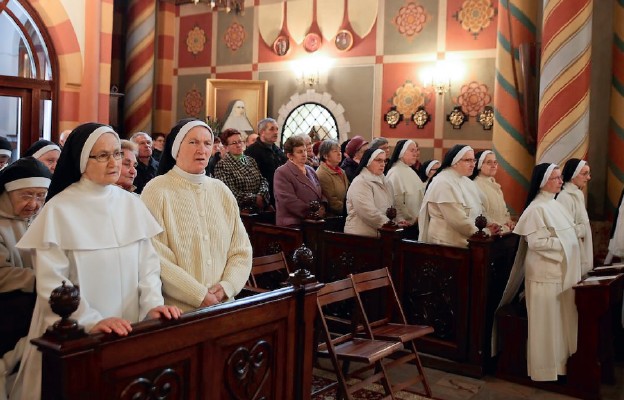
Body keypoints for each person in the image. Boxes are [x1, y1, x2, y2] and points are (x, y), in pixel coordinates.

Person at [11, 123, 181, 399]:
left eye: (116, 153)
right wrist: (90, 321)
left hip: (129, 325)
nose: (114, 162)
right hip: (74, 335)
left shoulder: (131, 204)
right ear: (81, 159)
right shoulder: (59, 209)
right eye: (102, 155)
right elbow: (52, 282)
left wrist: (153, 306)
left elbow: (148, 267)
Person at [141, 118, 252, 312]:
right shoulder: (156, 190)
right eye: (193, 142)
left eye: (207, 143)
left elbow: (240, 249)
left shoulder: (221, 190)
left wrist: (227, 286)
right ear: (176, 148)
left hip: (224, 306)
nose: (201, 149)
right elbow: (155, 254)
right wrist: (198, 295)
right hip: (180, 312)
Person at [497, 163, 581, 382]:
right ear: (543, 182)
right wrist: (564, 244)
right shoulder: (536, 209)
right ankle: (544, 370)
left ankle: (559, 366)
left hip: (557, 271)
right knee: (545, 324)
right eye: (555, 178)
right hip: (544, 273)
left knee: (556, 322)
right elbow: (536, 243)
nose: (561, 181)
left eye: (560, 177)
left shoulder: (554, 205)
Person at [418, 145, 500, 248]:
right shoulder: (443, 182)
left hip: (467, 241)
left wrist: (489, 224)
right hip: (445, 245)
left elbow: (480, 209)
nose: (473, 165)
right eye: (468, 160)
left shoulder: (467, 181)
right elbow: (458, 220)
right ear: (455, 162)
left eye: (473, 160)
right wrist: (485, 231)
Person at [0, 157, 52, 294]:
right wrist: (45, 280)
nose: (34, 204)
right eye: (26, 196)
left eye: (41, 196)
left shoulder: (47, 217)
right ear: (7, 193)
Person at [345, 148, 406, 237]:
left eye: (384, 161)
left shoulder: (386, 181)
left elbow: (393, 205)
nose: (383, 164)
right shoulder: (360, 182)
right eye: (378, 160)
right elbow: (367, 212)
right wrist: (390, 224)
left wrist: (399, 220)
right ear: (368, 161)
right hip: (361, 236)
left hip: (381, 234)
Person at [273, 136, 326, 227]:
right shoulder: (282, 172)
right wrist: (311, 212)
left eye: (304, 150)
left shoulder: (310, 169)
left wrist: (323, 206)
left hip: (313, 220)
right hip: (293, 223)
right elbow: (288, 200)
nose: (304, 154)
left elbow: (320, 191)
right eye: (299, 152)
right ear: (290, 155)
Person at [213, 128, 270, 210]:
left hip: (260, 208)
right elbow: (230, 192)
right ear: (226, 147)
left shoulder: (251, 160)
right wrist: (255, 199)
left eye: (240, 141)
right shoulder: (222, 165)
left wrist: (262, 195)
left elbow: (262, 181)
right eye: (234, 143)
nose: (238, 145)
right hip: (241, 211)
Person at [556, 158, 593, 275]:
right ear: (573, 175)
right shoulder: (564, 197)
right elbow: (564, 229)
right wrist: (582, 230)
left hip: (581, 243)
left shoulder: (578, 194)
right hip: (572, 247)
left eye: (588, 173)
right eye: (584, 174)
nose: (588, 178)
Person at [385, 140, 424, 237]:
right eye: (412, 150)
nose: (415, 154)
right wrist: (408, 219)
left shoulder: (409, 170)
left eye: (416, 150)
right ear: (402, 153)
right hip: (404, 225)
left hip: (416, 223)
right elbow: (396, 201)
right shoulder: (395, 173)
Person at [470, 150, 515, 233]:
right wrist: (496, 226)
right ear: (479, 165)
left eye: (495, 162)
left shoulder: (496, 186)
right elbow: (479, 212)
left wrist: (509, 222)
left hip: (503, 230)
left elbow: (504, 211)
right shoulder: (474, 185)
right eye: (489, 162)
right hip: (490, 232)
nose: (493, 166)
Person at [244, 118, 287, 204]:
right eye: (272, 129)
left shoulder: (278, 150)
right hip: (266, 195)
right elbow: (251, 177)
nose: (276, 132)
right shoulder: (252, 151)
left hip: (281, 192)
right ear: (262, 132)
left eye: (277, 129)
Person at [316, 139, 349, 217]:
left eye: (340, 151)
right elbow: (331, 201)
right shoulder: (322, 173)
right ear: (325, 155)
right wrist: (349, 210)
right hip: (333, 217)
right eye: (335, 151)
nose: (339, 154)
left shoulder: (341, 171)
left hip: (345, 212)